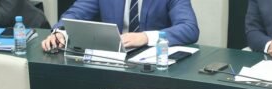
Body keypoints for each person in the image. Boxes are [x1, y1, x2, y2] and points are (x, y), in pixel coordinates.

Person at [40, 0, 198, 51]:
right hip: (114, 58)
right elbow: (77, 12)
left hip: (153, 64)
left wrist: (145, 37)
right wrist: (60, 32)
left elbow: (189, 28)